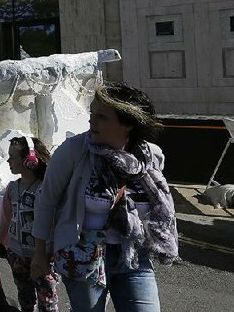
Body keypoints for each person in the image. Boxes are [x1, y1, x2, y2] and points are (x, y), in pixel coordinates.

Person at [30, 82, 179, 312]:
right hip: (83, 254)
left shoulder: (151, 156)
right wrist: (40, 253)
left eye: (102, 117)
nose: (92, 121)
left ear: (127, 124)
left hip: (133, 254)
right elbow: (46, 201)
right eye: (92, 113)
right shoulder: (73, 151)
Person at [0, 136, 60, 312]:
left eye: (13, 157)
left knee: (47, 302)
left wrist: (51, 253)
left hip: (42, 258)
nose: (8, 160)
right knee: (26, 301)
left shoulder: (44, 189)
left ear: (30, 160)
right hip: (17, 256)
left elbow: (54, 225)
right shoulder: (12, 188)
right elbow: (4, 222)